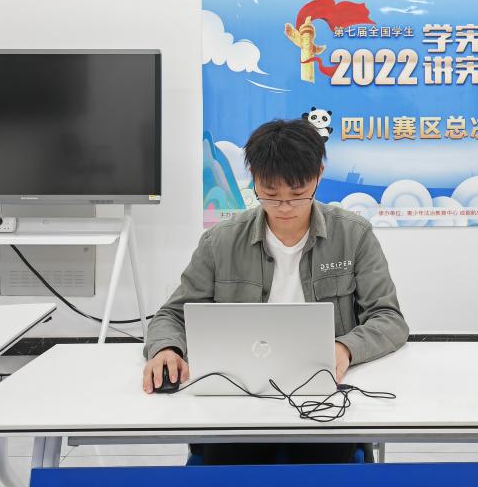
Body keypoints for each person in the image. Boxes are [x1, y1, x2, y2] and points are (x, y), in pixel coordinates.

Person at [141, 118, 408, 464]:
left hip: (320, 396)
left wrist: (344, 348)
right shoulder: (221, 242)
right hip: (238, 394)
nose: (284, 208)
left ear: (319, 175)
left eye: (297, 195)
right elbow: (171, 315)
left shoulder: (353, 235)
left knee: (326, 460)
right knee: (227, 460)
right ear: (254, 178)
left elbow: (388, 318)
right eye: (270, 194)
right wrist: (167, 348)